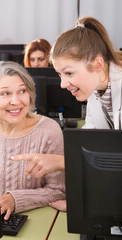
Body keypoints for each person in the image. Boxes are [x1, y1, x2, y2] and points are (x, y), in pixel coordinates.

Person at [12, 16, 122, 211]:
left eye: (69, 73)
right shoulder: (97, 92)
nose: (62, 84)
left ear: (97, 64)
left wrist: (62, 162)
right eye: (60, 75)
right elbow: (92, 147)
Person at [0, 61, 66, 220]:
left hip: (36, 220)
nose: (16, 101)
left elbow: (58, 191)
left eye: (22, 91)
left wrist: (15, 199)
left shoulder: (49, 131)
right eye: (5, 93)